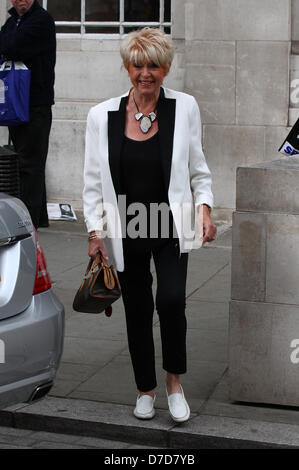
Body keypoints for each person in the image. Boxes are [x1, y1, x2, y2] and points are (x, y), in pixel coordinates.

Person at [83, 28, 217, 423]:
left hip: (172, 223)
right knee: (137, 310)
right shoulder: (100, 116)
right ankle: (146, 389)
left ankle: (174, 383)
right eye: (138, 64)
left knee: (172, 301)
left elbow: (199, 169)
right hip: (125, 229)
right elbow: (92, 182)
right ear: (127, 68)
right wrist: (95, 233)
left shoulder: (185, 107)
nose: (146, 73)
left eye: (154, 65)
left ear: (166, 68)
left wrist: (205, 209)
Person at [0, 0, 56, 229]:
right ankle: (39, 217)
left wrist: (8, 44)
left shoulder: (41, 20)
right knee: (25, 159)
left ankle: (29, 220)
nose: (21, 0)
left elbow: (12, 47)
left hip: (36, 102)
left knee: (30, 163)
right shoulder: (12, 21)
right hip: (16, 101)